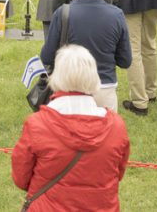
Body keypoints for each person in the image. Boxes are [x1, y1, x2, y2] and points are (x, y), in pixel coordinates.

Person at [12, 45, 129, 210]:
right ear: (94, 77)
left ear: (57, 76)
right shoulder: (117, 127)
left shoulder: (37, 125)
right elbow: (118, 173)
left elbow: (21, 178)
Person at [41, 0, 131, 111]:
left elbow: (47, 57)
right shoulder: (116, 15)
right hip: (104, 87)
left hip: (69, 88)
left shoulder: (62, 13)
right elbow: (125, 61)